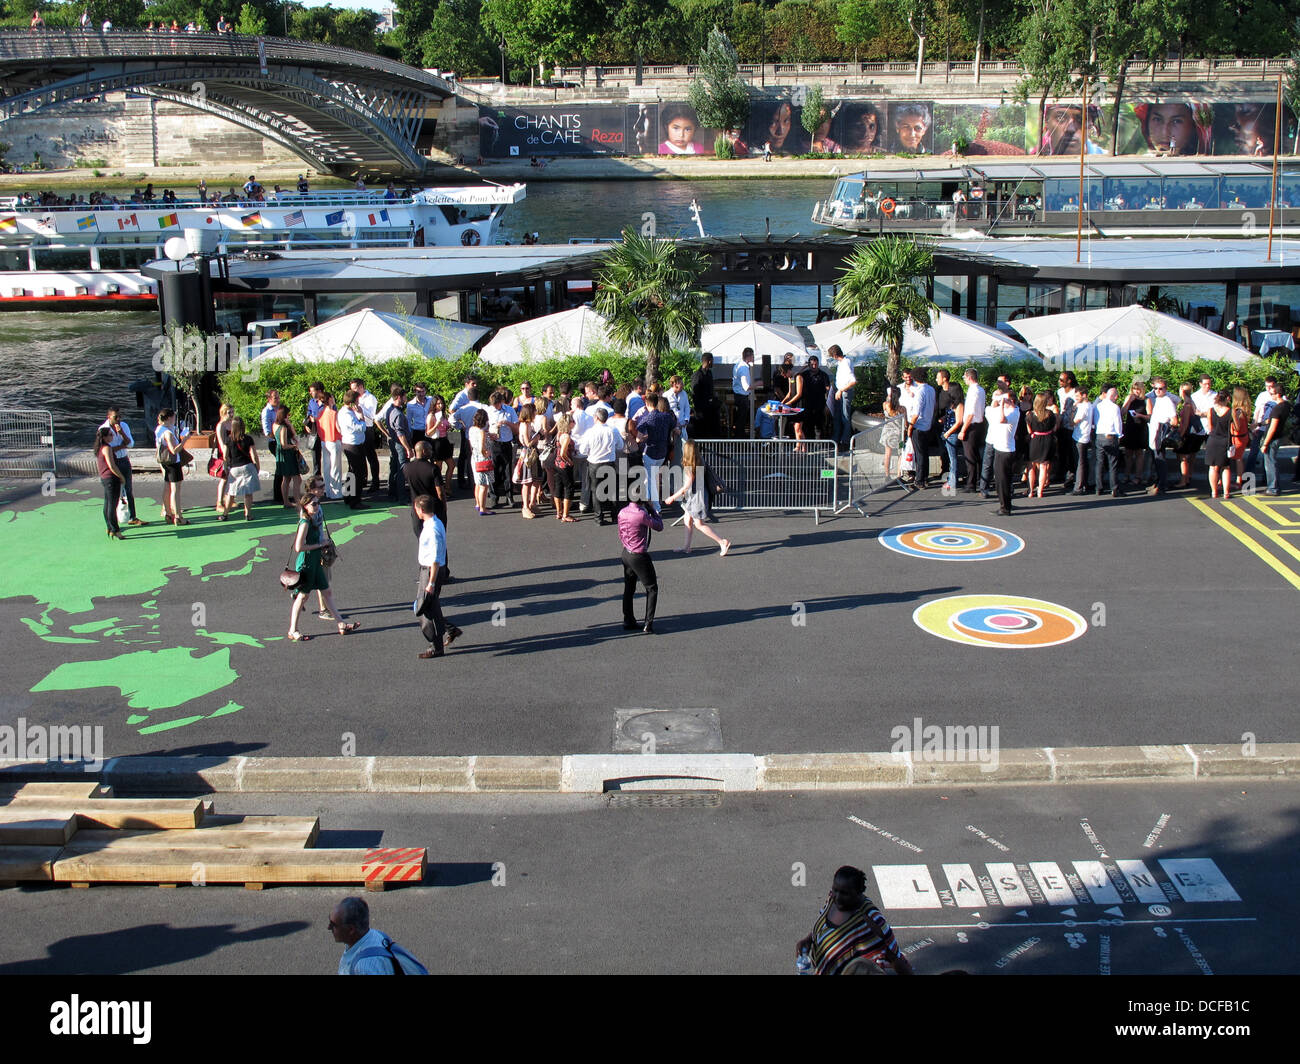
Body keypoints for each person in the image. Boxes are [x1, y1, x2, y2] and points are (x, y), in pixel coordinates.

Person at [795, 867, 914, 976]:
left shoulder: (871, 919)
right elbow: (823, 926)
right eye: (835, 890)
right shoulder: (832, 899)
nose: (838, 896)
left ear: (858, 892)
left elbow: (894, 957)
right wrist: (808, 939)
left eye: (844, 893)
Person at [287, 480, 358, 642]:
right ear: (305, 507)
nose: (317, 506)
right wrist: (320, 544)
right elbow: (298, 547)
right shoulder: (305, 523)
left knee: (327, 592)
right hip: (307, 564)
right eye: (313, 504)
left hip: (315, 562)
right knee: (303, 597)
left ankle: (341, 624)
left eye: (318, 503)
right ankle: (293, 630)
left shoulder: (313, 518)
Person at [663, 440, 730, 556]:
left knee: (699, 524)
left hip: (696, 498)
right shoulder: (700, 459)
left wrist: (672, 497)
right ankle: (686, 547)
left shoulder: (690, 464)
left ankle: (722, 541)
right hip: (697, 495)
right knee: (687, 520)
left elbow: (687, 486)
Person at [331, 897, 426, 975]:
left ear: (351, 930)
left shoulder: (365, 967)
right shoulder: (372, 935)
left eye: (333, 925)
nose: (329, 927)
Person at [414, 494, 459, 658]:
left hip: (430, 572)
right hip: (431, 571)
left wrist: (430, 583)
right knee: (432, 606)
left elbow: (433, 559)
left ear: (420, 510)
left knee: (425, 610)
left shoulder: (431, 530)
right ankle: (450, 630)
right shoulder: (435, 522)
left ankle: (436, 646)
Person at [618, 492, 663, 634]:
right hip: (639, 555)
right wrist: (652, 510)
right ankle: (648, 624)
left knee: (629, 588)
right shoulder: (641, 514)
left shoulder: (622, 512)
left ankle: (628, 619)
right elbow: (659, 526)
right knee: (652, 588)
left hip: (626, 552)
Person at [577, 407, 624, 526]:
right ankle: (614, 516)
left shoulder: (590, 432)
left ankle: (599, 517)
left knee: (596, 491)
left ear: (596, 418)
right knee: (612, 490)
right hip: (609, 462)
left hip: (594, 463)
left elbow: (583, 450)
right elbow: (620, 445)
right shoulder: (613, 430)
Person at [100, 406, 145, 526]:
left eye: (120, 416)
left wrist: (121, 433)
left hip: (124, 460)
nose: (119, 419)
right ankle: (112, 524)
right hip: (113, 462)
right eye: (116, 417)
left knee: (129, 490)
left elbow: (130, 444)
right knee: (113, 495)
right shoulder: (103, 429)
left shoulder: (124, 426)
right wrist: (121, 445)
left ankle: (132, 517)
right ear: (109, 417)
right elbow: (105, 450)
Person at [785, 355, 830, 453]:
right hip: (807, 404)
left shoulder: (823, 375)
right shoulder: (804, 375)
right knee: (807, 426)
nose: (814, 366)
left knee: (819, 426)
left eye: (816, 364)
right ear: (809, 364)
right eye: (812, 364)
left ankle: (819, 446)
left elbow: (828, 390)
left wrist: (827, 405)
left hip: (820, 403)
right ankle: (808, 445)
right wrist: (804, 367)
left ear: (818, 364)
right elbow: (796, 375)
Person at [986, 389, 1020, 516]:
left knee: (1003, 481)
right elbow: (992, 408)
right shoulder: (1009, 409)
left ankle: (1005, 508)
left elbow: (1001, 419)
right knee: (1001, 480)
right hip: (1001, 448)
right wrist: (998, 400)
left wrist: (1002, 404)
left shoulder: (1014, 412)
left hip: (1005, 451)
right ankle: (1006, 504)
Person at [221, 417, 261, 520]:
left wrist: (226, 467)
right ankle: (248, 514)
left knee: (231, 493)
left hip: (234, 468)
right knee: (248, 493)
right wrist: (257, 466)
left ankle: (225, 514)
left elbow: (225, 456)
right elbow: (254, 455)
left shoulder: (228, 440)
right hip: (248, 466)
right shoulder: (248, 439)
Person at [155, 408, 188, 525]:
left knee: (167, 486)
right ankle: (178, 516)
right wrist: (185, 441)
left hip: (165, 462)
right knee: (175, 489)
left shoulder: (160, 429)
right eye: (174, 417)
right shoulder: (167, 433)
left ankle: (168, 512)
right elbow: (174, 450)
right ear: (169, 418)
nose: (175, 419)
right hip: (173, 463)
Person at [1146, 378, 1178, 496]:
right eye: (1155, 388)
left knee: (1160, 460)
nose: (1158, 391)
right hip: (1154, 433)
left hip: (1160, 433)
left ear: (1166, 389)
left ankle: (1162, 486)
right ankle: (1158, 482)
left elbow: (1175, 421)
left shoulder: (1167, 401)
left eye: (1161, 388)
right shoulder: (1158, 400)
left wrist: (1165, 427)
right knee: (1156, 459)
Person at [486, 390, 518, 508]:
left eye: (497, 404)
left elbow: (516, 427)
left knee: (507, 470)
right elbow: (483, 428)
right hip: (494, 443)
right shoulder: (488, 411)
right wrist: (491, 433)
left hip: (506, 443)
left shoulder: (509, 410)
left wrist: (507, 423)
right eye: (493, 405)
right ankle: (494, 497)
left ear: (501, 402)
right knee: (493, 471)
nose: (495, 407)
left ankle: (509, 496)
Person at [382, 386, 413, 504]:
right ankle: (402, 497)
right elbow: (400, 433)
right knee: (402, 470)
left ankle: (392, 493)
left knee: (394, 468)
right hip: (400, 444)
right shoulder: (398, 414)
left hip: (394, 443)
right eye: (405, 396)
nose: (406, 398)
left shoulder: (390, 410)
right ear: (400, 397)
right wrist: (408, 448)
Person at [349, 378, 380, 496]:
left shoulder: (370, 398)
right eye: (352, 389)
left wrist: (360, 408)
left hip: (367, 428)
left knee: (371, 455)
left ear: (361, 387)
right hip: (357, 428)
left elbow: (372, 415)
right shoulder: (354, 399)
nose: (354, 391)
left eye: (355, 388)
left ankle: (375, 482)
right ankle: (363, 480)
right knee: (359, 456)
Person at [1093, 383, 1124, 497]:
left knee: (1099, 463)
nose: (1117, 398)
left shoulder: (1098, 406)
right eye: (1116, 395)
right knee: (1113, 463)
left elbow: (1095, 420)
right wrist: (1120, 435)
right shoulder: (1115, 407)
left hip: (1099, 435)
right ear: (1113, 396)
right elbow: (1118, 423)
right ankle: (1114, 488)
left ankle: (1099, 488)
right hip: (1110, 436)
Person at [1259, 384, 1291, 496]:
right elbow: (1271, 422)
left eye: (1272, 393)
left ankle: (1273, 488)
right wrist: (1260, 423)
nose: (1270, 395)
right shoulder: (1286, 405)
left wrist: (1265, 443)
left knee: (1270, 463)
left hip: (1272, 438)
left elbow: (1272, 427)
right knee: (1272, 461)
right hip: (1278, 436)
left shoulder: (1277, 408)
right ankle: (1274, 486)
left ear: (1278, 394)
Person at [934, 368, 964, 488]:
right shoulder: (951, 405)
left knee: (953, 457)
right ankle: (950, 478)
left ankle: (953, 481)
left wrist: (948, 433)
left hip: (952, 432)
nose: (936, 379)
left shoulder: (959, 405)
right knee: (948, 455)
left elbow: (959, 421)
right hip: (946, 429)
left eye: (938, 377)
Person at [339, 390, 368, 509]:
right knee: (358, 473)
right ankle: (355, 501)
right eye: (357, 401)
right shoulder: (346, 414)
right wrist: (361, 417)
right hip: (353, 444)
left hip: (352, 443)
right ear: (352, 403)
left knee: (352, 471)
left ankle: (348, 496)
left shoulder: (347, 412)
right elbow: (360, 428)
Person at [958, 369, 986, 493]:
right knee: (978, 456)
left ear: (969, 378)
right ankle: (980, 480)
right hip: (980, 425)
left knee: (970, 456)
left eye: (965, 377)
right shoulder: (981, 390)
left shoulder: (973, 391)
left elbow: (970, 413)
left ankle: (971, 483)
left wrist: (963, 430)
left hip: (971, 426)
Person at [95, 427, 126, 540]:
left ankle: (109, 526)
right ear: (104, 437)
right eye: (110, 435)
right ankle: (115, 529)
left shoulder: (99, 448)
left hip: (105, 478)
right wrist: (121, 477)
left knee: (108, 503)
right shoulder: (107, 448)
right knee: (112, 505)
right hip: (111, 479)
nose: (112, 436)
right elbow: (112, 465)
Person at [1026, 392, 1057, 497]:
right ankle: (1040, 491)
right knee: (1044, 466)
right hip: (1047, 439)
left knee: (1031, 466)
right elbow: (1054, 427)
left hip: (1035, 439)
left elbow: (1029, 431)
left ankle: (1031, 491)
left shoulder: (1030, 415)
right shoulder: (1050, 414)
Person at [516, 402, 543, 518]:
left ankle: (532, 503)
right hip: (528, 453)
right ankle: (525, 507)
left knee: (536, 479)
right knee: (527, 481)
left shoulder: (528, 425)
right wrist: (537, 437)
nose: (536, 413)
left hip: (532, 452)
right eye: (534, 411)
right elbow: (527, 443)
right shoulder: (525, 425)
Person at [1205, 390, 1233, 499]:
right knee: (1225, 467)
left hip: (1212, 440)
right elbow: (1235, 428)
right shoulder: (1231, 412)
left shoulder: (1211, 411)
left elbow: (1210, 427)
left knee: (1212, 467)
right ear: (1228, 399)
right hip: (1225, 440)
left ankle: (1214, 492)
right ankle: (1226, 492)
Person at [273, 405, 303, 509]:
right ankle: (297, 500)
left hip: (280, 454)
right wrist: (294, 446)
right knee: (297, 478)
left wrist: (289, 424)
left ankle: (286, 501)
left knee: (286, 478)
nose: (289, 416)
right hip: (287, 454)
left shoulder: (275, 425)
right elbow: (284, 444)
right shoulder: (283, 428)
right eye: (288, 414)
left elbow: (293, 435)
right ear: (284, 415)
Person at [1121, 381, 1149, 486]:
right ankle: (1126, 475)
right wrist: (1128, 401)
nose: (1136, 391)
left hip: (1140, 429)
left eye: (1138, 389)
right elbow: (1122, 413)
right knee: (1128, 453)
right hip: (1130, 428)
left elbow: (1149, 417)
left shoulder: (1146, 400)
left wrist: (1140, 415)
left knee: (1139, 453)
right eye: (1134, 389)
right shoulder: (1129, 398)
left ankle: (1138, 476)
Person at [316, 393, 343, 500]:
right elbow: (339, 428)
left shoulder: (320, 413)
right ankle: (336, 493)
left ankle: (327, 490)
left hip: (324, 441)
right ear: (330, 399)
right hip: (334, 441)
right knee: (335, 467)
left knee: (327, 467)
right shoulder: (334, 413)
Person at [830, 345, 857, 451]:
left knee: (845, 417)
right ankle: (836, 439)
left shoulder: (846, 363)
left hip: (845, 392)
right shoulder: (841, 363)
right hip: (840, 392)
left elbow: (853, 381)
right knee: (837, 416)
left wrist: (841, 390)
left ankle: (845, 441)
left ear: (835, 355)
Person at [425, 394, 455, 490]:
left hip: (444, 440)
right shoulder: (431, 416)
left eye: (442, 403)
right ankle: (438, 488)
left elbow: (445, 427)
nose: (440, 405)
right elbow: (428, 432)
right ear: (434, 405)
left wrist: (448, 426)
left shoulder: (443, 414)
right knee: (438, 467)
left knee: (451, 465)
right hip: (436, 442)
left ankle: (447, 486)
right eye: (438, 404)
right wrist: (436, 424)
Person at [468, 408, 494, 515]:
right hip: (483, 459)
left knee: (477, 483)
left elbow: (471, 445)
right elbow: (481, 447)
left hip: (474, 458)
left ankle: (478, 504)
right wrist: (487, 453)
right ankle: (483, 508)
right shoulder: (481, 432)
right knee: (484, 484)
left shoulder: (471, 429)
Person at [553, 413, 578, 522]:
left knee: (558, 487)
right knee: (569, 488)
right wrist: (569, 461)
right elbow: (563, 452)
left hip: (557, 463)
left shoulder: (559, 433)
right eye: (572, 421)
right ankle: (565, 514)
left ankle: (558, 512)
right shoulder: (566, 436)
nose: (574, 423)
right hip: (564, 465)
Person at [1070, 386, 1094, 494]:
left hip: (1080, 437)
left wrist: (1073, 411)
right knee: (1083, 461)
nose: (1076, 398)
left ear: (1084, 395)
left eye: (1078, 396)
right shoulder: (1089, 405)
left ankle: (1078, 487)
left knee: (1080, 462)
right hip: (1083, 436)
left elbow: (1074, 422)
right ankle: (1085, 483)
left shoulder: (1083, 408)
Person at [691, 353, 720, 437]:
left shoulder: (709, 373)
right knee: (702, 430)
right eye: (712, 361)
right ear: (709, 361)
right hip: (701, 409)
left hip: (710, 408)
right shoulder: (698, 375)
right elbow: (695, 392)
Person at [1230, 385, 1252, 490]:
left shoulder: (1238, 412)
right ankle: (1239, 480)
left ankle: (1239, 481)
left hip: (1238, 438)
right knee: (1239, 459)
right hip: (1243, 437)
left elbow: (1237, 427)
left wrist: (1232, 417)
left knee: (1238, 459)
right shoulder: (1245, 409)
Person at [731, 347, 755, 438]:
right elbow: (746, 387)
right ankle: (740, 439)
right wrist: (758, 384)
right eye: (753, 356)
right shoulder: (744, 368)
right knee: (742, 419)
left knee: (740, 418)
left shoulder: (737, 365)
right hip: (742, 397)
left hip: (737, 395)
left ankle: (739, 437)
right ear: (749, 356)